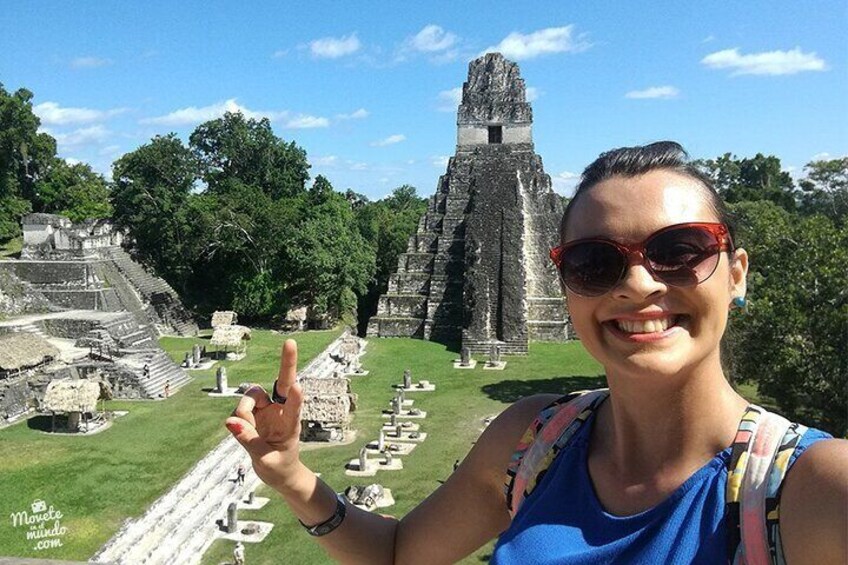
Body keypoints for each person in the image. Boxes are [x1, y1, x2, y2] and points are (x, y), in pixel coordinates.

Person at [225, 142, 847, 564]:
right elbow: (397, 555)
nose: (637, 283)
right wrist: (293, 478)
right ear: (566, 287)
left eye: (680, 250)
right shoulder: (534, 441)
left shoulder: (809, 489)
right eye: (594, 261)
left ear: (736, 273)